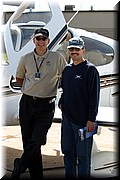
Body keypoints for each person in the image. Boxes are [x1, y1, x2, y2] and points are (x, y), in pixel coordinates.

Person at [11, 28, 67, 179]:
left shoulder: (58, 58)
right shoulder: (25, 58)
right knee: (28, 141)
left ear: (48, 41)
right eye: (38, 38)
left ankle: (21, 165)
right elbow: (19, 79)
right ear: (33, 41)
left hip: (46, 105)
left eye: (44, 39)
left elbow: (65, 78)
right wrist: (33, 88)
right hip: (27, 103)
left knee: (37, 139)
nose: (41, 41)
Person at [58, 37, 100, 178]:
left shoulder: (90, 70)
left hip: (83, 122)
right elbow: (65, 90)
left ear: (83, 50)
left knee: (83, 157)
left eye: (77, 49)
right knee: (68, 152)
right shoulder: (67, 70)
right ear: (68, 51)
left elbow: (94, 96)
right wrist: (61, 103)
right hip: (67, 121)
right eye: (71, 49)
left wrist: (91, 119)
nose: (74, 52)